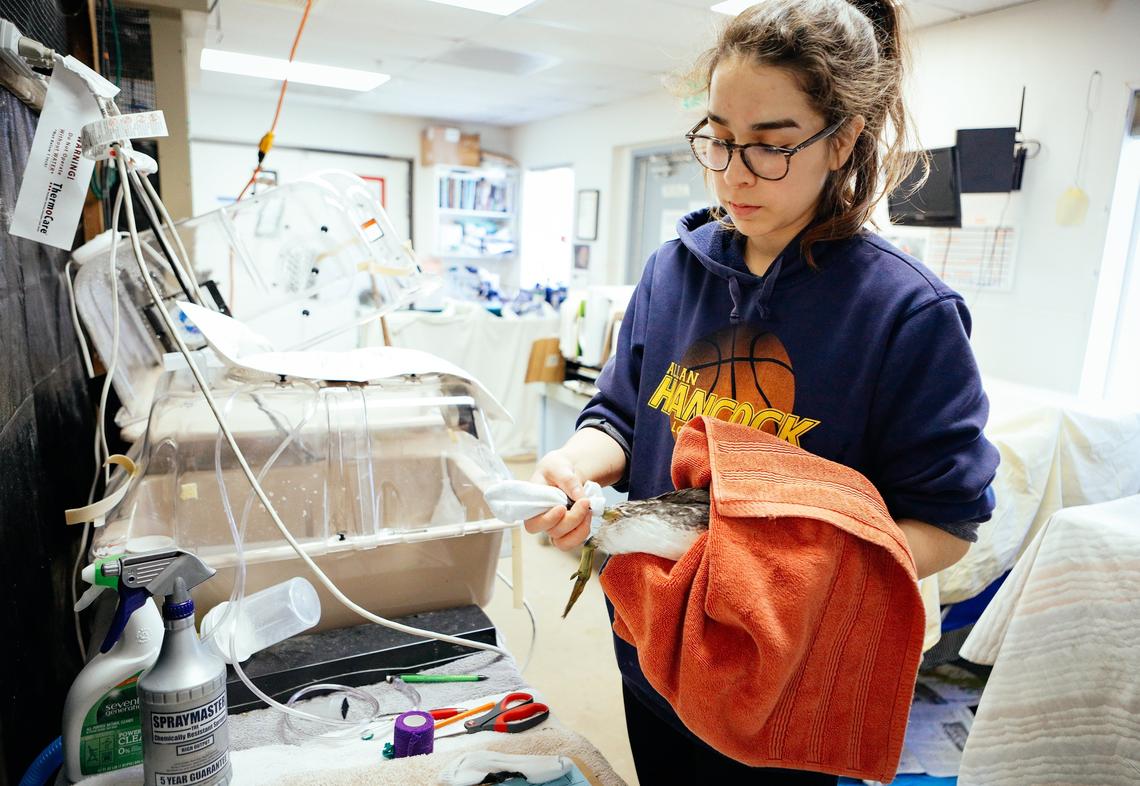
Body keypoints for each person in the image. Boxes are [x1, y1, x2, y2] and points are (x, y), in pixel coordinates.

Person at [524, 1, 1000, 783]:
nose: (733, 172)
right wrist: (575, 462)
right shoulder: (670, 272)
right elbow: (618, 412)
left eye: (773, 146)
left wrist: (784, 572)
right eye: (717, 137)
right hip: (651, 646)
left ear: (842, 138)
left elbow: (945, 523)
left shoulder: (907, 314)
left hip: (784, 679)